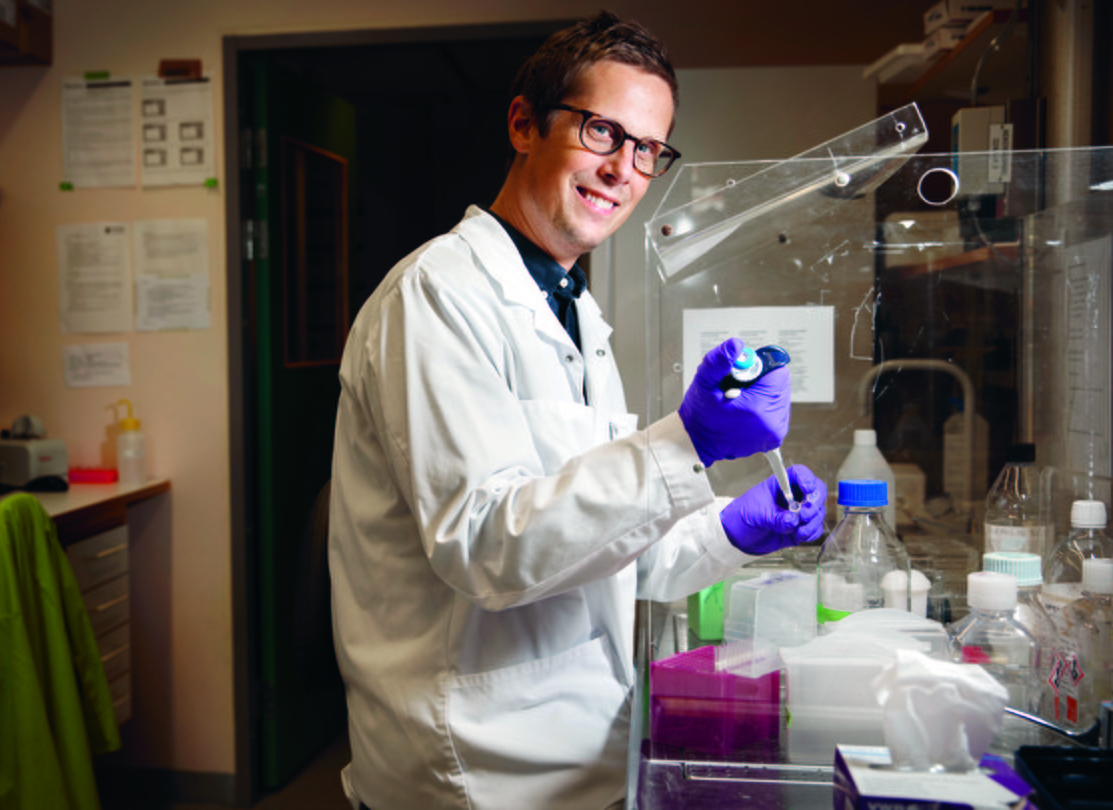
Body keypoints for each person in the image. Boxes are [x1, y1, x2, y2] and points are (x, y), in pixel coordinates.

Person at [327, 11, 827, 810]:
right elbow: (487, 545)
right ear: (524, 124)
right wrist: (686, 442)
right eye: (602, 131)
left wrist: (732, 528)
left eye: (648, 150)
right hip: (473, 769)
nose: (624, 169)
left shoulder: (575, 315)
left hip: (572, 749)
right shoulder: (437, 297)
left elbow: (605, 550)